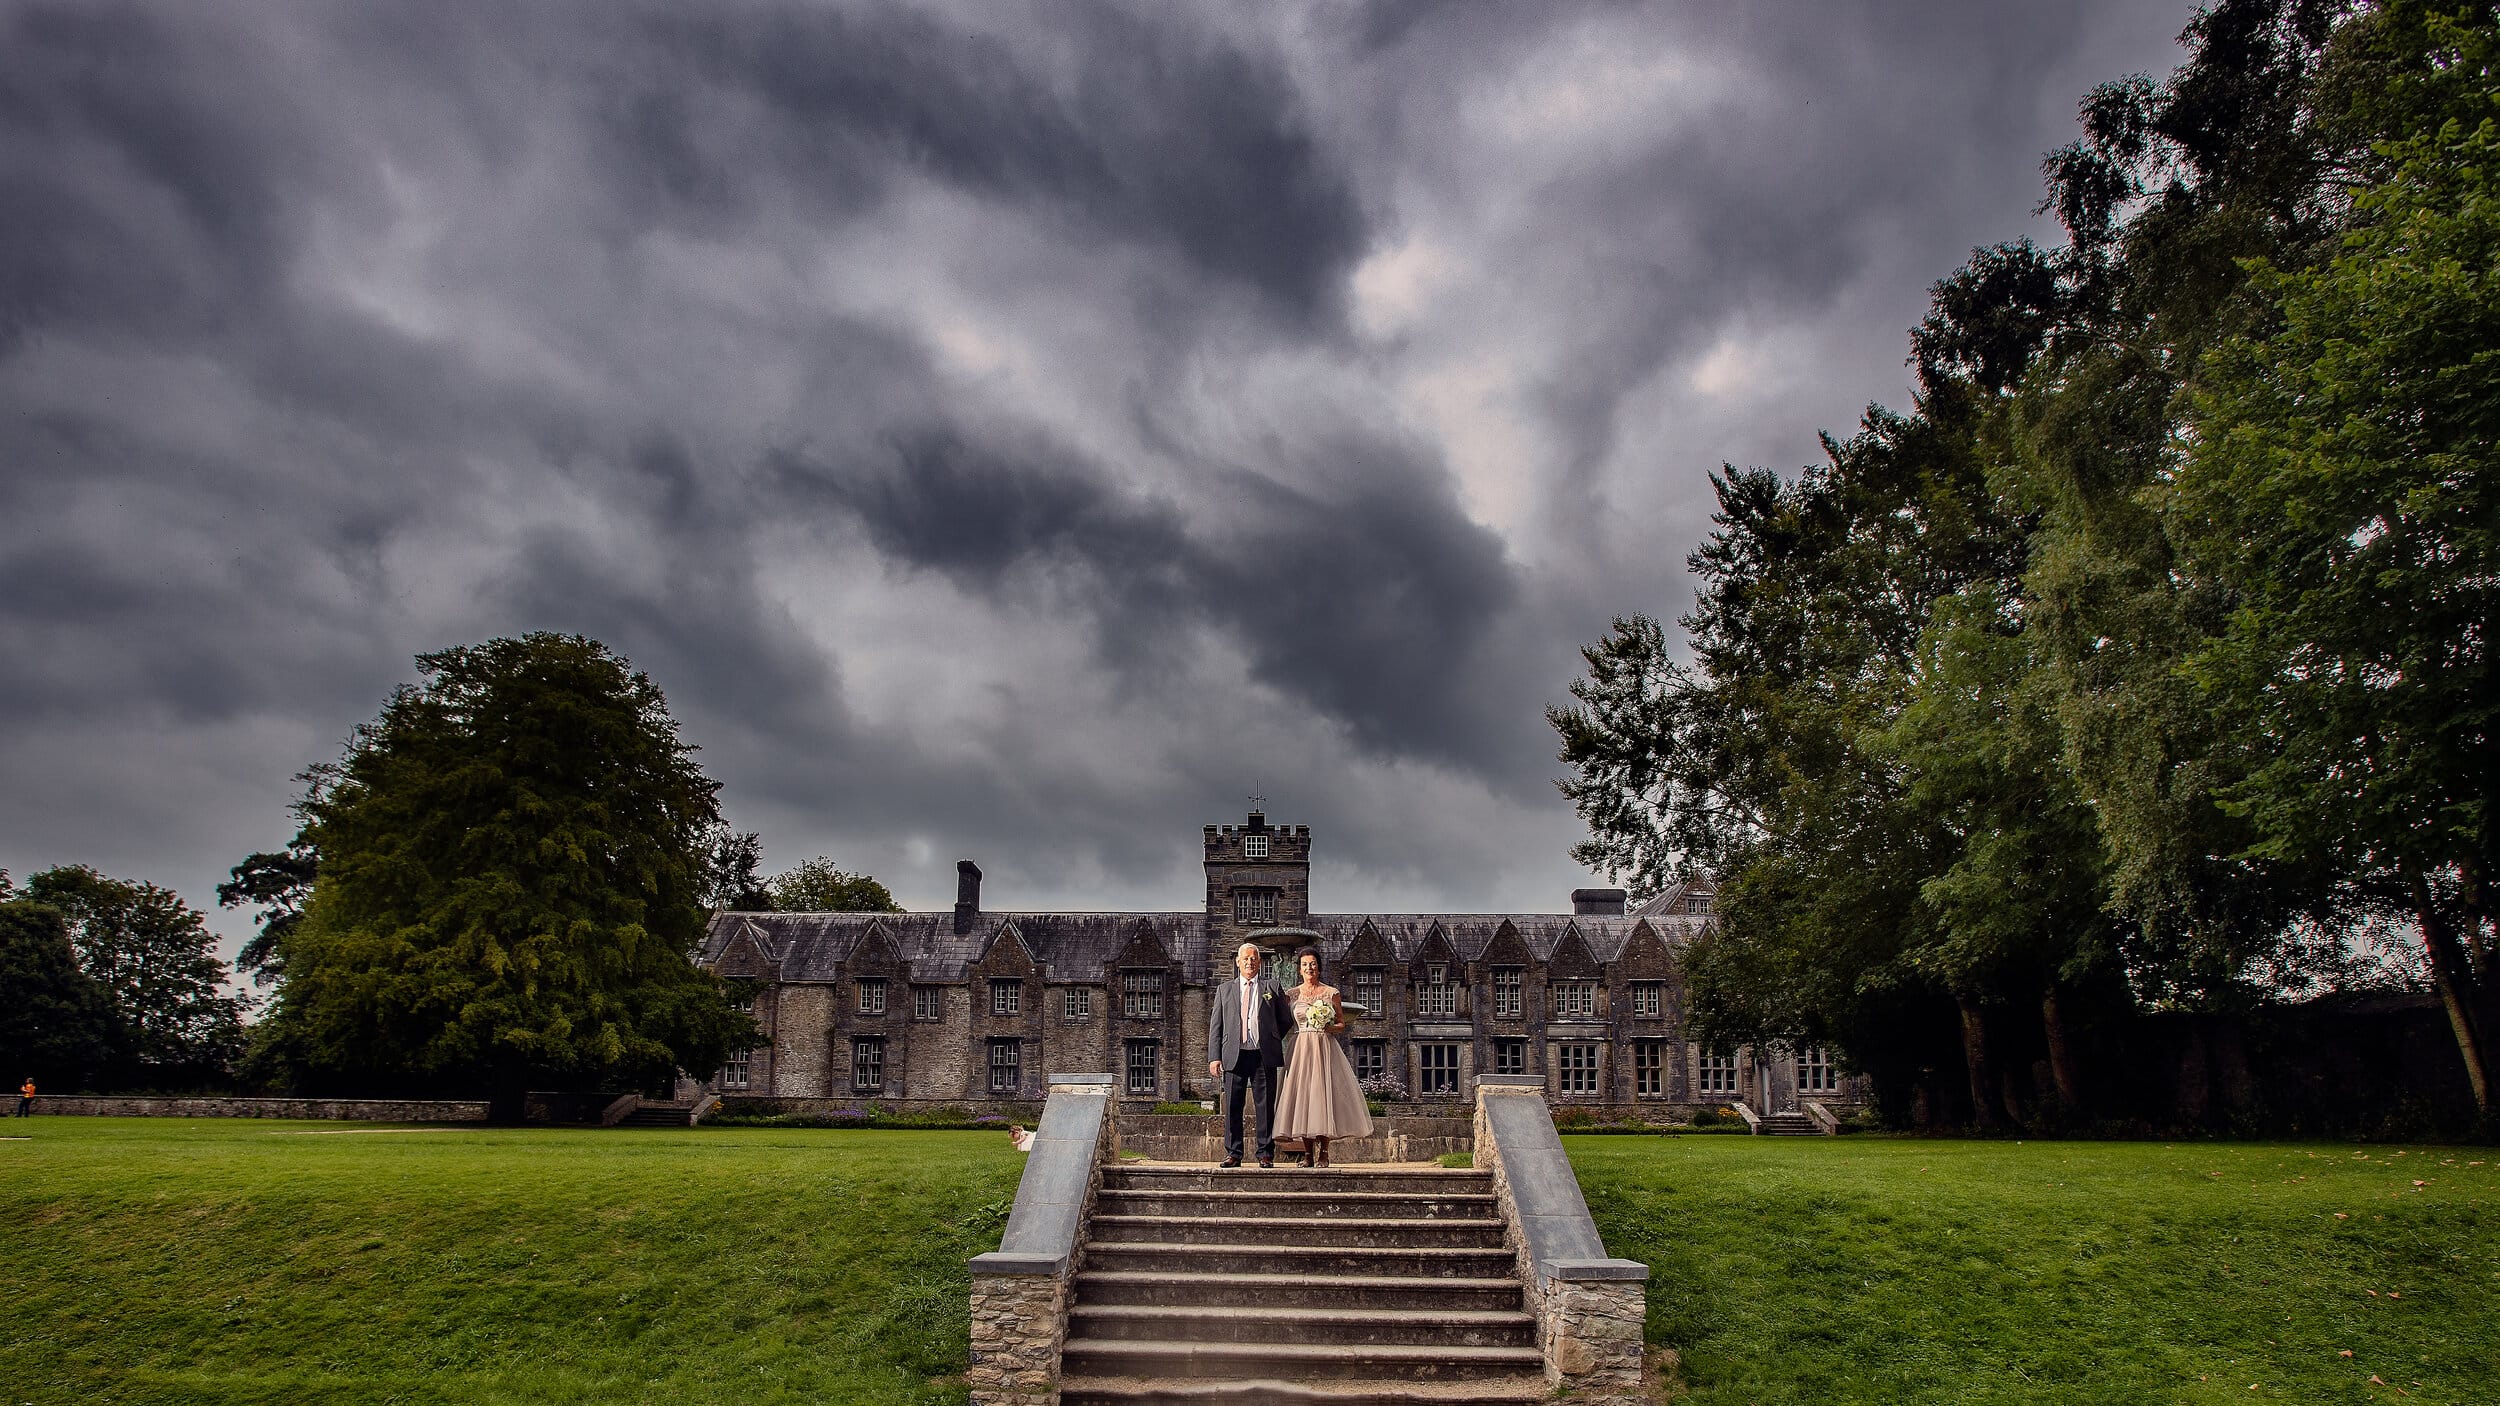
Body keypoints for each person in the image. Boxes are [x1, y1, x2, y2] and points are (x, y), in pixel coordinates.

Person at [1273, 950, 1372, 1167]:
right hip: (1300, 1047)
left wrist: (1327, 1026)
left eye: (1313, 964)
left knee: (1322, 1096)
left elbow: (1341, 1023)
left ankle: (1324, 1152)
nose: (1309, 968)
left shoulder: (1331, 993)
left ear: (1319, 967)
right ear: (1299, 969)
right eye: (1305, 964)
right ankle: (1307, 1154)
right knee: (1304, 1098)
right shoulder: (1292, 994)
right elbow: (1283, 1022)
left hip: (1323, 1046)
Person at [1206, 940, 1294, 1168]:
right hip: (1234, 1055)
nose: (1249, 962)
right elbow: (1216, 1026)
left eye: (1253, 958)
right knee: (1233, 1106)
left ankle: (1265, 1153)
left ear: (1260, 962)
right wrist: (1214, 1057)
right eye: (1245, 958)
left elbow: (1285, 1020)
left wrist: (1272, 1037)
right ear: (1237, 962)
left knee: (1264, 1107)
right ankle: (1233, 1153)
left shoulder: (1272, 987)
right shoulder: (1224, 990)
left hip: (1262, 1055)